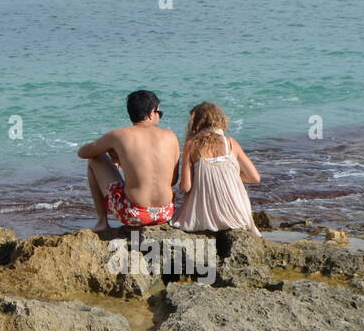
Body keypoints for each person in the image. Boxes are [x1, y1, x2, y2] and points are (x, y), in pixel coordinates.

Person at [76, 90, 180, 231]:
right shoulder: (171, 136)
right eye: (159, 113)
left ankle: (102, 222)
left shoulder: (120, 135)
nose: (159, 117)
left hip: (133, 215)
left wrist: (111, 150)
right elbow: (173, 181)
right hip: (165, 213)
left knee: (95, 159)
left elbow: (83, 153)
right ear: (150, 113)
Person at [173, 102, 261, 235]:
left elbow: (185, 187)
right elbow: (255, 178)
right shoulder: (230, 142)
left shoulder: (191, 146)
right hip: (237, 218)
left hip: (202, 220)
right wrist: (229, 177)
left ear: (194, 123)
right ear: (219, 119)